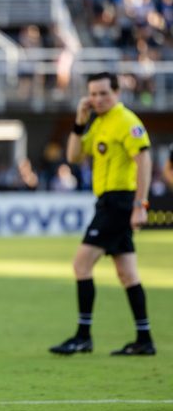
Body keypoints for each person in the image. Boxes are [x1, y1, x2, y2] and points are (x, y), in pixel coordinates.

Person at [50, 72, 156, 357]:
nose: (97, 99)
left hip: (119, 203)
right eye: (93, 94)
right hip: (108, 202)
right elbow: (73, 157)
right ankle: (144, 339)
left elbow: (144, 160)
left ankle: (83, 336)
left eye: (103, 93)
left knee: (81, 264)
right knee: (127, 273)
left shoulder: (126, 121)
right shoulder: (99, 122)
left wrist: (140, 204)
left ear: (117, 93)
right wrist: (79, 121)